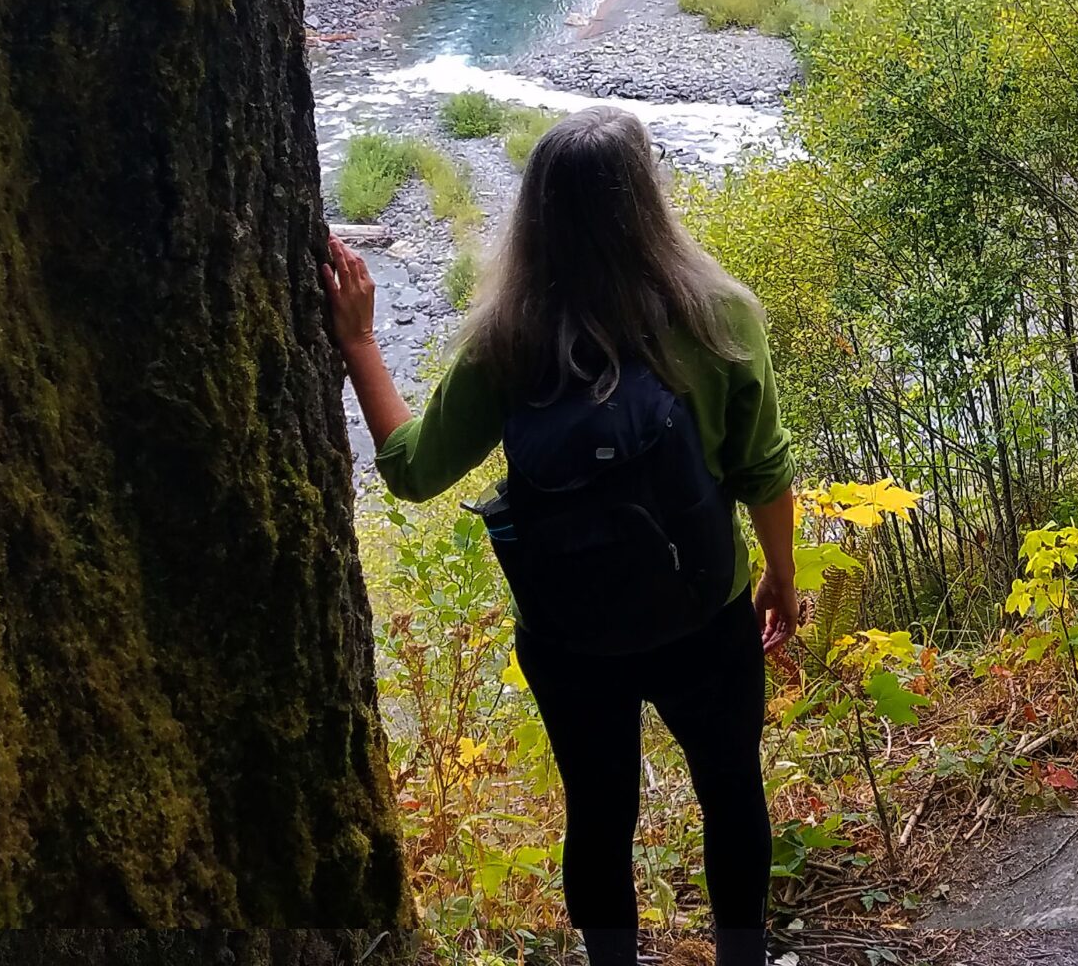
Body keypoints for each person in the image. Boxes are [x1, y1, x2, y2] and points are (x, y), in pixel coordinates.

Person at [323, 106, 797, 966]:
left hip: (569, 631)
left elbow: (412, 469)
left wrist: (359, 341)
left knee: (599, 809)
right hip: (706, 615)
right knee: (732, 793)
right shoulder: (722, 316)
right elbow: (764, 471)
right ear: (648, 201)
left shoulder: (509, 340)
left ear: (534, 215)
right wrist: (780, 580)